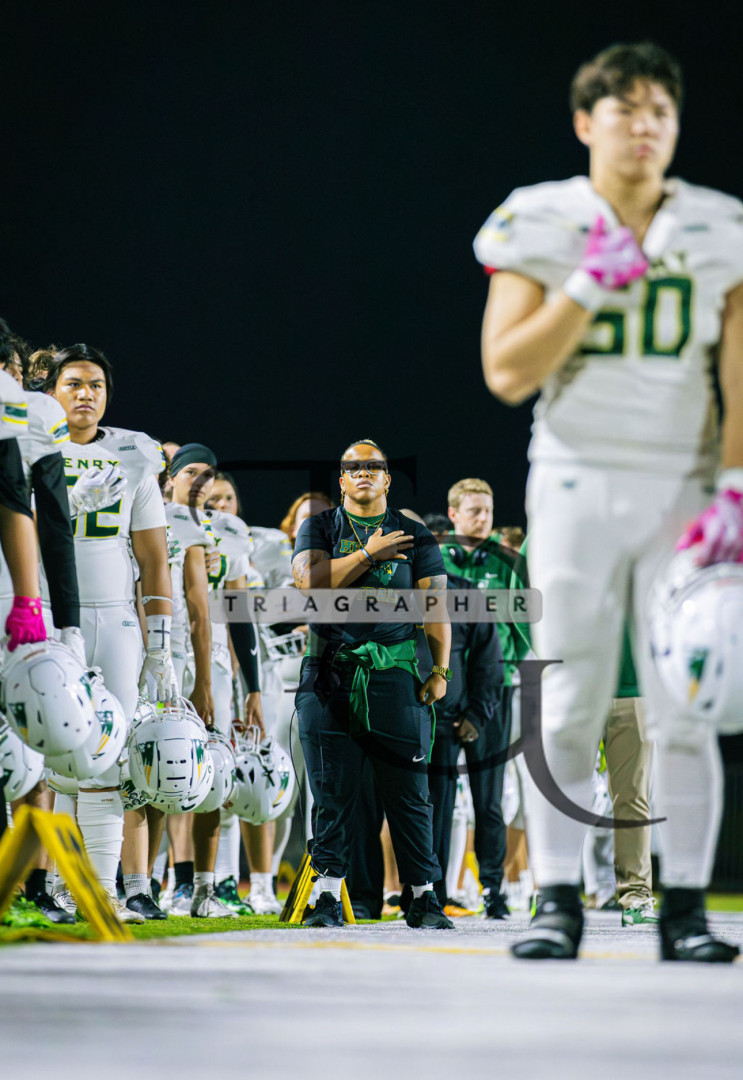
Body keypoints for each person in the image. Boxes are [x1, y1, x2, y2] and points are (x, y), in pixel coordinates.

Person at [475, 42, 743, 961]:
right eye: (625, 108)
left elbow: (737, 372)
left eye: (659, 110)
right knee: (566, 694)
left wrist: (735, 486)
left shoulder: (718, 224)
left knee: (684, 706)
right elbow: (506, 370)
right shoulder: (542, 216)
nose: (644, 126)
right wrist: (588, 282)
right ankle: (556, 901)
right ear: (585, 121)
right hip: (574, 473)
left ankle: (683, 911)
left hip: (683, 485)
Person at [292, 439, 453, 929]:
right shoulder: (319, 526)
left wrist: (440, 670)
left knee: (409, 792)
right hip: (329, 673)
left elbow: (435, 606)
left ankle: (423, 897)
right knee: (332, 791)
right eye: (353, 467)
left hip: (395, 674)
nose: (364, 472)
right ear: (342, 480)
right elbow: (309, 582)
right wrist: (368, 553)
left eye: (374, 466)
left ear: (387, 478)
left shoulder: (415, 534)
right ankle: (326, 898)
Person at [46, 344, 175, 923]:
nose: (85, 393)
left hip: (116, 617)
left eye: (95, 384)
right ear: (52, 392)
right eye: (73, 383)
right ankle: (56, 887)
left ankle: (99, 891)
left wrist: (161, 643)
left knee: (108, 756)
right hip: (50, 612)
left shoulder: (135, 453)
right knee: (54, 755)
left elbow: (154, 557)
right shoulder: (31, 443)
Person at [440, 478, 528, 917]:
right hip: (445, 689)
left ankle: (493, 889)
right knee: (436, 794)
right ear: (453, 513)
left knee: (489, 797)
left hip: (494, 689)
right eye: (474, 511)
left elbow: (525, 628)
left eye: (488, 511)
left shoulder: (508, 561)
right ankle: (431, 887)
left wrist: (504, 672)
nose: (483, 519)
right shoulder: (435, 559)